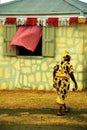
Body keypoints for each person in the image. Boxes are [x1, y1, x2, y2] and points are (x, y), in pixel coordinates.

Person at [53, 50, 78, 116]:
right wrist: (75, 82)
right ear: (65, 57)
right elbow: (71, 74)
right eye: (68, 56)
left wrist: (54, 80)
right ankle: (59, 111)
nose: (69, 57)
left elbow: (54, 71)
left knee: (61, 94)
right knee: (62, 95)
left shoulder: (58, 63)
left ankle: (66, 108)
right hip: (64, 81)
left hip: (57, 80)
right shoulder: (69, 65)